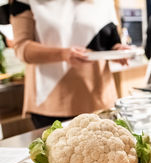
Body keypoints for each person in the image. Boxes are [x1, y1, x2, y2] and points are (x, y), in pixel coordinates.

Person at [10, 0, 129, 129]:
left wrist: (118, 50)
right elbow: (22, 48)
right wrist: (62, 54)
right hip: (51, 100)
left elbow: (110, 40)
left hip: (100, 99)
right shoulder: (26, 1)